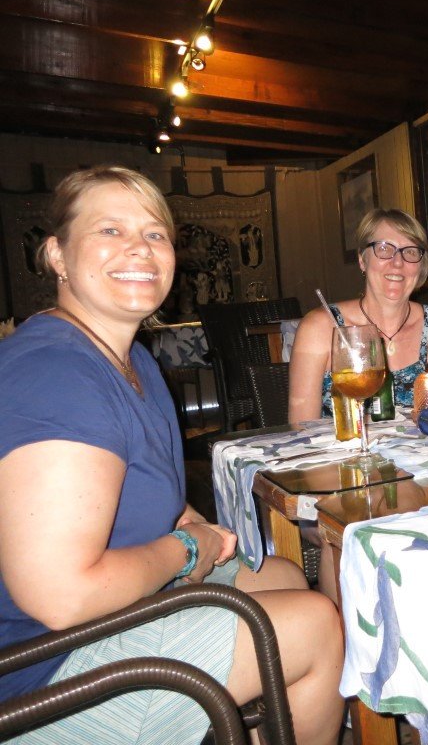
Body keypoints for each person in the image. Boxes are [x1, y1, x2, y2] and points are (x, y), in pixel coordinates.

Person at [0, 167, 344, 744]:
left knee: (282, 573)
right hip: (44, 671)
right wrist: (187, 549)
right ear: (57, 255)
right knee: (316, 626)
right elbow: (63, 596)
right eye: (110, 230)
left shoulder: (133, 359)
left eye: (155, 233)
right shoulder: (56, 373)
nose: (139, 247)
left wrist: (190, 522)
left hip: (102, 618)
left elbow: (136, 486)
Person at [289, 208, 428, 421]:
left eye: (410, 252)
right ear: (362, 259)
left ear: (421, 266)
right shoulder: (319, 329)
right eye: (384, 248)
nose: (398, 263)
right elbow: (301, 429)